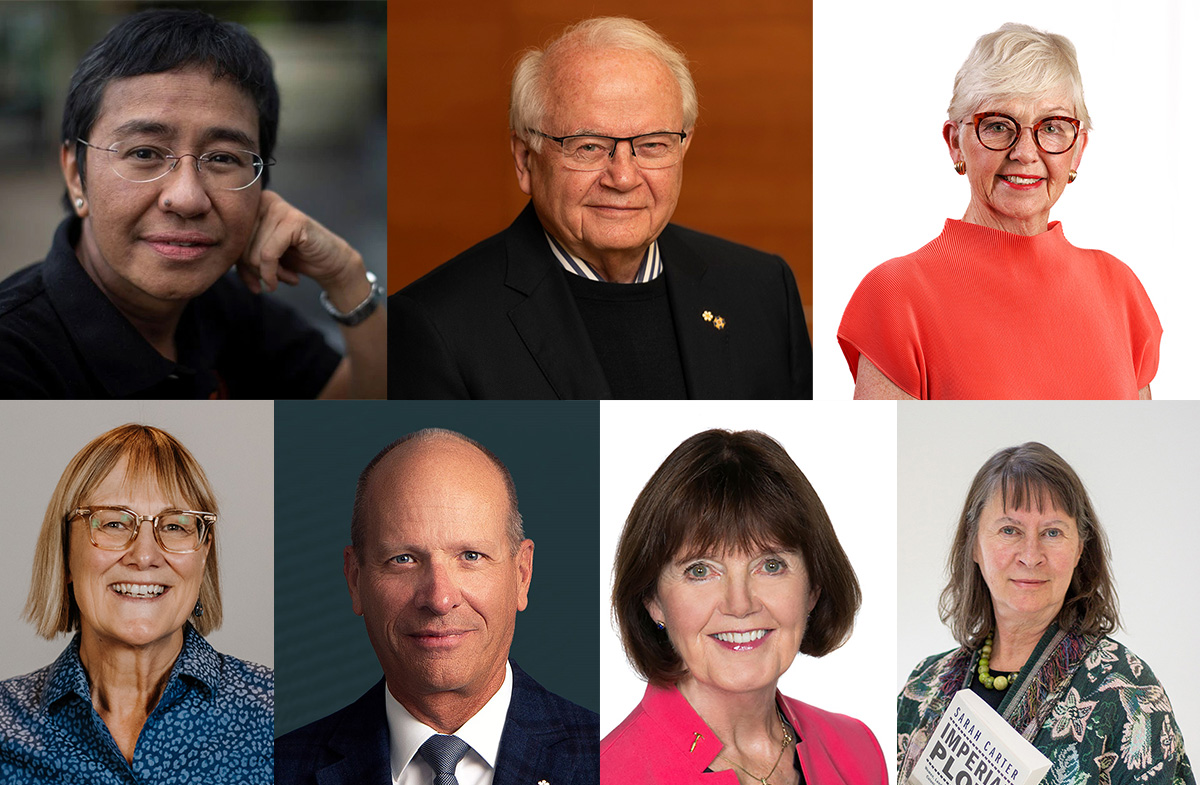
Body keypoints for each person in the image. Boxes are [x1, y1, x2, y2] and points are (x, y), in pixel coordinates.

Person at [388, 17, 811, 400]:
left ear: (684, 148)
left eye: (652, 145)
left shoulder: (762, 289)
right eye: (588, 147)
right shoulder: (436, 326)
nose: (623, 178)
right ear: (524, 159)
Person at [0, 8, 385, 399]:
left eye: (222, 158)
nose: (187, 198)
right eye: (145, 152)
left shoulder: (224, 306)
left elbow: (361, 418)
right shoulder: (16, 356)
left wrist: (346, 277)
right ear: (74, 174)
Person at [838, 24, 1160, 400]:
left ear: (1078, 148)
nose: (1025, 152)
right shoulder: (896, 295)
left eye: (1052, 126)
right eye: (997, 126)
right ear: (955, 142)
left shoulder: (1121, 291)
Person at [274, 429, 599, 785]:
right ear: (355, 579)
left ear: (522, 575)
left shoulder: (609, 761)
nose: (440, 599)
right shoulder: (277, 774)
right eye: (404, 559)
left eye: (471, 556)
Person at [897, 442, 1196, 785]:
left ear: (1080, 549)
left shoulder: (1128, 693)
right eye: (1009, 530)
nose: (1030, 555)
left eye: (1052, 532)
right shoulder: (925, 685)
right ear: (974, 544)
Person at [603, 430, 888, 785]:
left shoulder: (858, 749)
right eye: (701, 570)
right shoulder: (604, 782)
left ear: (813, 587)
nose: (740, 604)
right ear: (652, 600)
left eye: (770, 565)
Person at [0, 424, 272, 785]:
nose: (144, 556)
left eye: (175, 526)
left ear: (203, 555)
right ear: (65, 553)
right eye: (114, 523)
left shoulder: (279, 718)